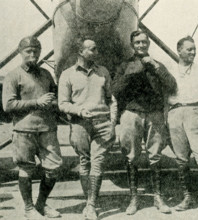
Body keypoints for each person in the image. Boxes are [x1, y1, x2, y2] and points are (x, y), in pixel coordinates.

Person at [111, 30, 177, 215]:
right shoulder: (125, 65)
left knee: (155, 155)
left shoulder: (157, 64)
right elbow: (115, 90)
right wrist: (134, 71)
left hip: (154, 114)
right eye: (137, 43)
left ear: (149, 44)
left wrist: (155, 66)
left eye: (144, 42)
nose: (141, 45)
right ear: (132, 45)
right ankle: (134, 198)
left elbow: (171, 85)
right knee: (131, 155)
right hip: (131, 114)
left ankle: (158, 196)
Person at [2, 36, 62, 219]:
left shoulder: (46, 74)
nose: (33, 54)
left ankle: (41, 204)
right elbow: (8, 105)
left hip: (47, 129)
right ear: (20, 52)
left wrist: (54, 104)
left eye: (36, 50)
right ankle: (29, 209)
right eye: (28, 51)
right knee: (26, 169)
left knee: (54, 168)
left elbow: (56, 98)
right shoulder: (13, 75)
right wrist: (37, 102)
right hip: (23, 131)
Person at [58, 38, 117, 220]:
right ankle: (89, 201)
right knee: (84, 162)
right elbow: (62, 103)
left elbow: (111, 99)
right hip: (79, 124)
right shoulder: (67, 74)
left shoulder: (103, 72)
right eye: (92, 49)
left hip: (102, 123)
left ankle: (91, 205)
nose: (97, 52)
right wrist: (79, 111)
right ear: (81, 52)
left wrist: (112, 122)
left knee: (97, 162)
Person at [167, 36, 198, 219]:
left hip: (196, 113)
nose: (193, 52)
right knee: (181, 158)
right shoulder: (169, 70)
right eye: (189, 49)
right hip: (175, 114)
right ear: (179, 50)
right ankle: (187, 197)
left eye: (194, 49)